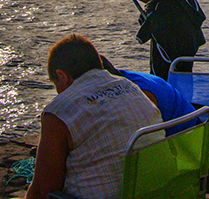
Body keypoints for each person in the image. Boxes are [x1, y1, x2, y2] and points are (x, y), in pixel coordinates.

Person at [25, 34, 163, 199]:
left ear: (61, 75)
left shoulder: (58, 111)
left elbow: (43, 191)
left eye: (57, 86)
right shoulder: (133, 88)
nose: (59, 92)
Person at [100, 56, 199, 135]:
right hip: (180, 131)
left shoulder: (140, 92)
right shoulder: (123, 78)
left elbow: (147, 135)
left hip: (190, 136)